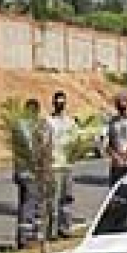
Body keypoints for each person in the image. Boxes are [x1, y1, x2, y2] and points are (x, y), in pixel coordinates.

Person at [44, 90, 75, 239]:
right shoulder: (48, 121)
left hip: (66, 165)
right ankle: (52, 230)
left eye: (62, 102)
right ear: (53, 103)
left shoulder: (70, 121)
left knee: (66, 198)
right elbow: (44, 143)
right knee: (53, 199)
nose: (60, 104)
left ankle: (65, 227)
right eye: (57, 102)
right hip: (54, 165)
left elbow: (74, 139)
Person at [11, 98, 40, 249]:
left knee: (24, 205)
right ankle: (26, 239)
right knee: (30, 205)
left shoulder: (18, 126)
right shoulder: (31, 128)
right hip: (30, 173)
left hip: (20, 172)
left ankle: (23, 237)